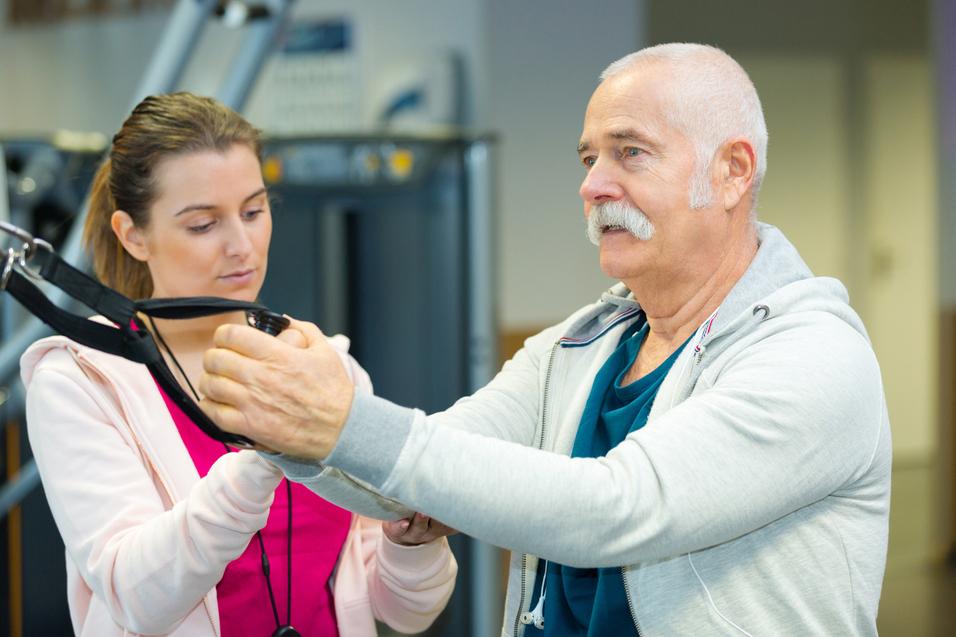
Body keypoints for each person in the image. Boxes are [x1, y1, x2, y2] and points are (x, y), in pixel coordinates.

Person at [198, 44, 892, 636]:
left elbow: (618, 507)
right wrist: (289, 429)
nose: (593, 185)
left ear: (733, 170)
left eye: (630, 153)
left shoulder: (811, 355)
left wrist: (347, 420)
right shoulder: (583, 344)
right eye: (589, 158)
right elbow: (416, 484)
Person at [20, 92, 456, 637]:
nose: (241, 245)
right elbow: (137, 598)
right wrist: (264, 456)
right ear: (133, 235)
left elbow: (406, 611)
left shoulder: (324, 366)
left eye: (254, 211)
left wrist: (409, 542)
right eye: (203, 225)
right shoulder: (79, 382)